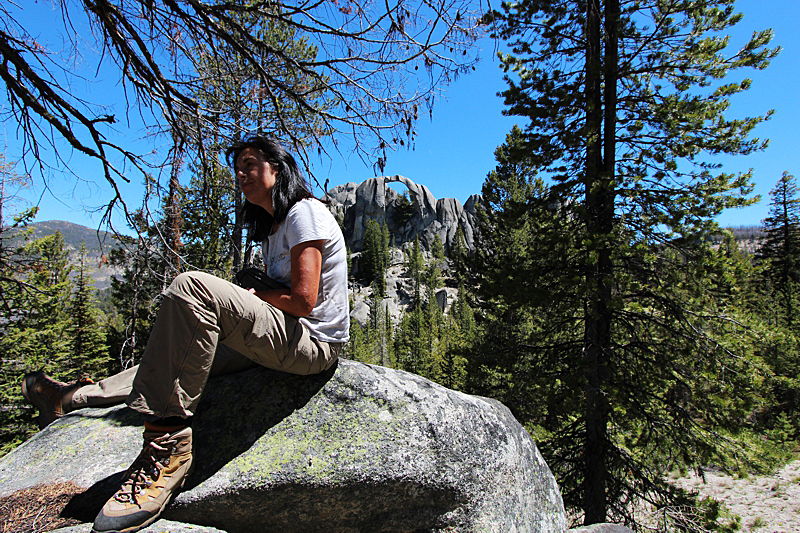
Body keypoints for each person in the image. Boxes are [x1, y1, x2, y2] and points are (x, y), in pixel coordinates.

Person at [21, 136, 350, 533]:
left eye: (250, 164)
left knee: (191, 287)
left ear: (277, 169)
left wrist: (252, 294)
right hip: (283, 335)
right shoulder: (274, 227)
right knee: (181, 352)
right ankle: (71, 398)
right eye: (238, 168)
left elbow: (302, 300)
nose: (242, 174)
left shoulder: (304, 212)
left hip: (312, 343)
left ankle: (167, 448)